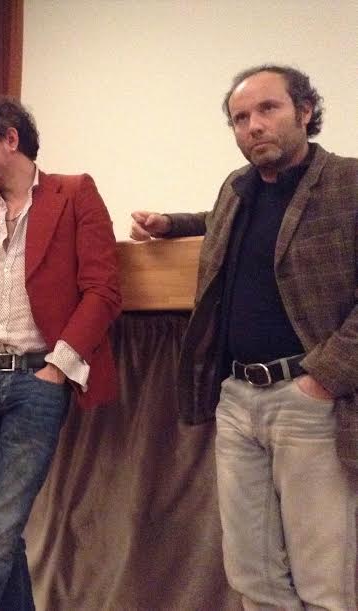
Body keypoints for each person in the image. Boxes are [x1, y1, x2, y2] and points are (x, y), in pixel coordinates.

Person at [130, 65, 357, 610]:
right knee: (251, 575)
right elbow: (219, 220)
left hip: (310, 400)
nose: (253, 125)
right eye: (240, 118)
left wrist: (322, 380)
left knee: (324, 580)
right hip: (236, 400)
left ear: (305, 111)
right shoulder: (238, 188)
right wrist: (171, 223)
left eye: (267, 109)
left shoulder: (348, 183)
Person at [0, 95, 121, 609]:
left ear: (10, 138)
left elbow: (103, 291)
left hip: (36, 384)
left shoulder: (76, 192)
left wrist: (57, 370)